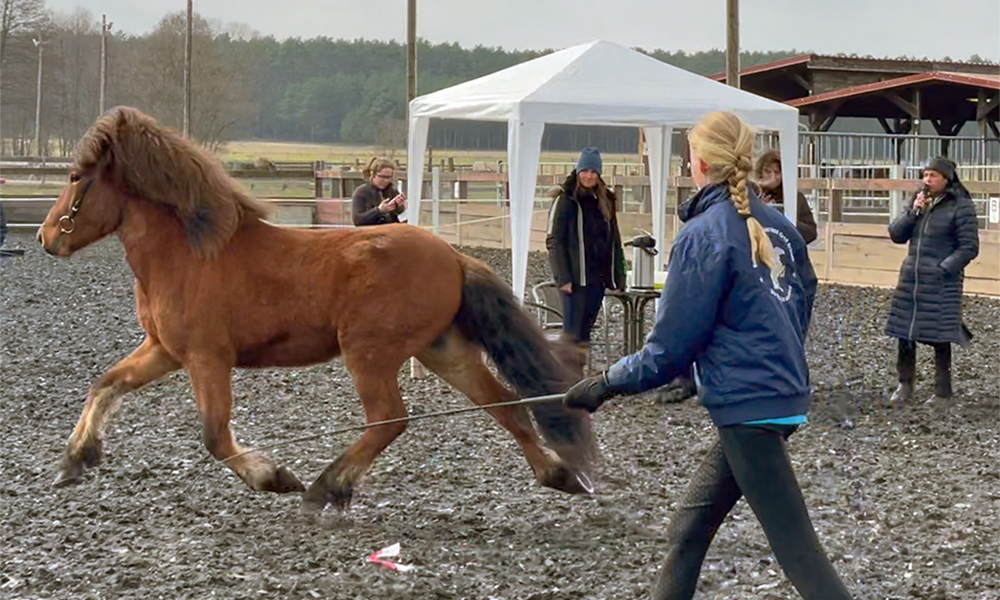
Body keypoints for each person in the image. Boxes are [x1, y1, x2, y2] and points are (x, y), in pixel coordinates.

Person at [563, 112, 853, 600]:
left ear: (698, 162)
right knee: (689, 530)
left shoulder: (703, 234)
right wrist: (776, 355)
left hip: (749, 406)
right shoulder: (781, 226)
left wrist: (605, 383)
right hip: (774, 398)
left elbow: (671, 348)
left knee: (801, 556)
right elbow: (804, 295)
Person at [885, 157, 979, 403]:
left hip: (941, 281)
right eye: (925, 175)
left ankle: (942, 392)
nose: (927, 180)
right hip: (912, 280)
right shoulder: (920, 202)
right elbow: (896, 234)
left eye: (933, 175)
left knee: (940, 336)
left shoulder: (961, 206)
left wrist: (944, 268)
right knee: (904, 333)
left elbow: (969, 247)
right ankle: (905, 385)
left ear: (947, 179)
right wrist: (914, 212)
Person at [546, 147, 626, 367]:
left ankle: (576, 376)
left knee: (585, 332)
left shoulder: (606, 200)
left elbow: (615, 240)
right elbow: (554, 241)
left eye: (593, 171)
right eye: (585, 171)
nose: (589, 176)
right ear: (578, 171)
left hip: (596, 279)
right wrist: (563, 278)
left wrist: (619, 276)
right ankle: (564, 379)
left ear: (599, 173)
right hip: (574, 280)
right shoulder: (565, 200)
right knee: (572, 333)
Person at [753, 149, 818, 244]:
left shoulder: (794, 197)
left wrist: (787, 218)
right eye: (768, 171)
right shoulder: (753, 194)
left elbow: (811, 232)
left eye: (777, 172)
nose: (772, 177)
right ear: (761, 172)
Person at [352, 157, 407, 226]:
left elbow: (400, 217)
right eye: (383, 177)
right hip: (370, 233)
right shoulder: (362, 192)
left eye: (389, 177)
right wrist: (378, 211)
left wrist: (399, 206)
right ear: (372, 175)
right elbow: (357, 220)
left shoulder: (392, 191)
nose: (386, 180)